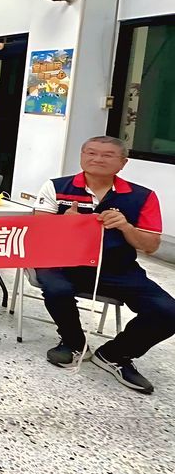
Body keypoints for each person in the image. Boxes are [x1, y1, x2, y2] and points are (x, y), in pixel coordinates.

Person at [34, 136, 174, 395]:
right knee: (56, 288)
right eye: (90, 153)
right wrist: (65, 225)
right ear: (81, 156)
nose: (97, 159)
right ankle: (74, 343)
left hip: (118, 267)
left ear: (123, 163)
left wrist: (126, 227)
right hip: (63, 262)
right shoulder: (56, 187)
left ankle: (115, 354)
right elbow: (38, 233)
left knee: (167, 311)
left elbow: (150, 246)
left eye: (107, 155)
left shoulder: (142, 196)